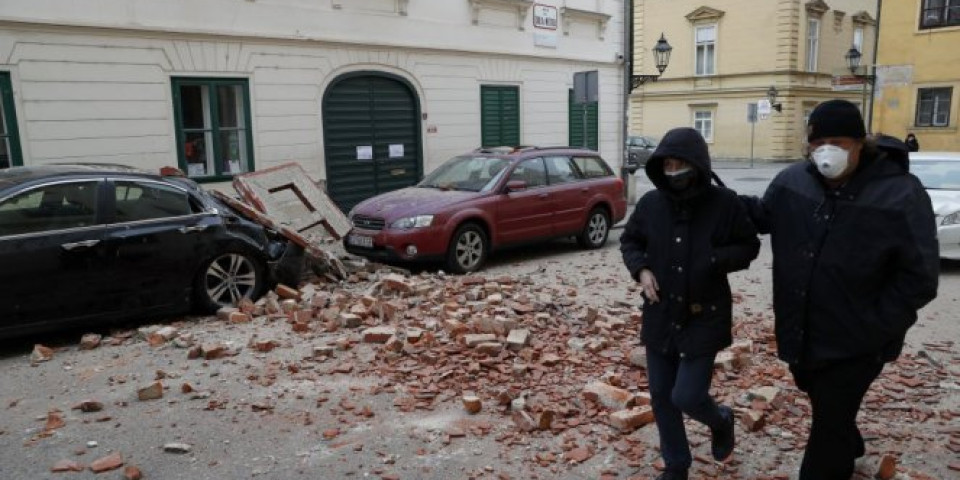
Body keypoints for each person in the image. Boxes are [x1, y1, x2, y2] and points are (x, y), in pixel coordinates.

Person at [740, 99, 939, 479]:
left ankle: (836, 453)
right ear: (808, 146)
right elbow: (762, 216)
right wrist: (711, 198)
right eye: (819, 142)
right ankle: (851, 443)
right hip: (802, 331)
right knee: (821, 399)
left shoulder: (900, 194)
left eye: (839, 141)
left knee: (827, 431)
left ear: (860, 143)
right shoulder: (791, 182)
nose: (827, 150)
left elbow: (920, 277)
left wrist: (876, 325)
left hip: (860, 343)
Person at [620, 127, 760, 480]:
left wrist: (713, 259)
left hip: (704, 315)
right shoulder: (651, 204)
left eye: (680, 163)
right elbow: (630, 241)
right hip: (661, 311)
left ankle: (721, 420)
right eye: (667, 164)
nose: (673, 171)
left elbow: (749, 246)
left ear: (697, 165)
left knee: (686, 395)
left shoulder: (724, 204)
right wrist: (642, 270)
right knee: (661, 395)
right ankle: (677, 466)